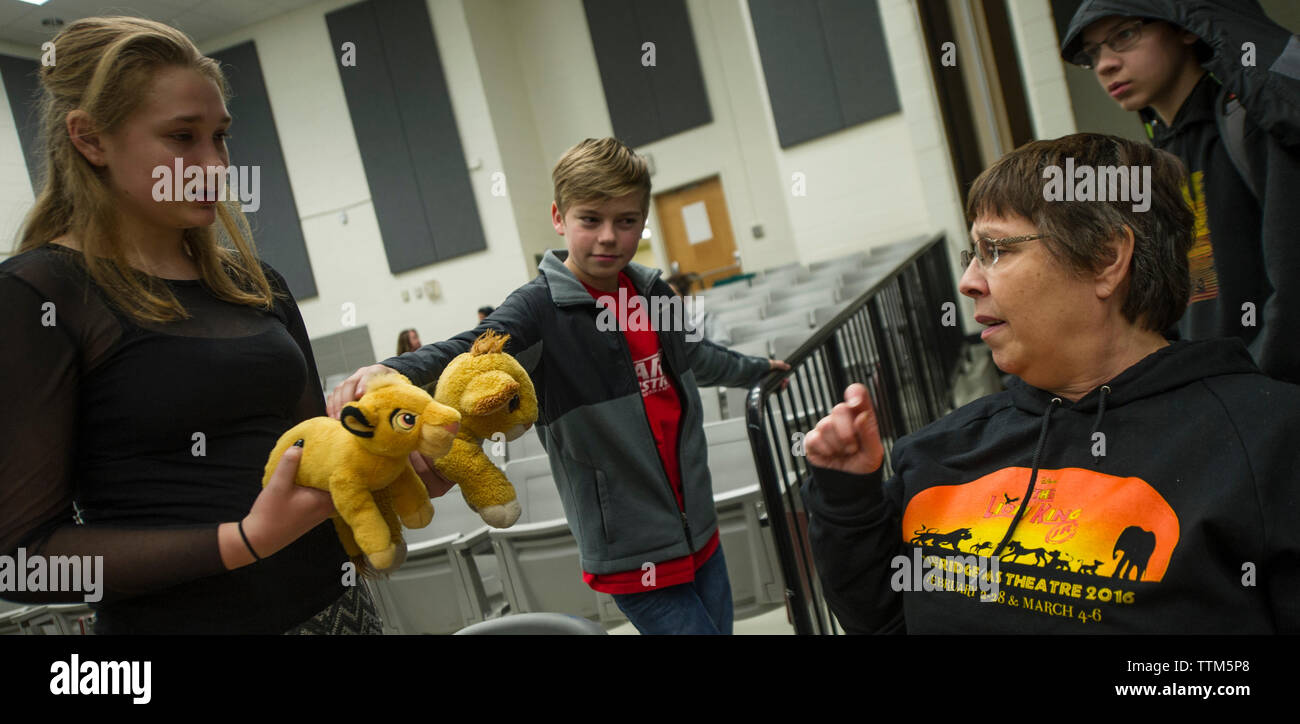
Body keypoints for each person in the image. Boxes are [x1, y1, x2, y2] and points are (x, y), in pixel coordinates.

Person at [0, 17, 448, 634]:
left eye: (220, 137)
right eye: (182, 137)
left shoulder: (255, 285)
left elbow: (313, 465)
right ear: (90, 139)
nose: (213, 164)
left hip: (339, 615)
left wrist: (388, 462)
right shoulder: (39, 294)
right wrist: (240, 542)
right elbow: (24, 561)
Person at [801, 133, 1299, 633]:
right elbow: (885, 623)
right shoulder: (937, 451)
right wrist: (847, 499)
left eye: (996, 249)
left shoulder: (1270, 440)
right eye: (971, 254)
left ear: (1106, 258)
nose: (969, 282)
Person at [329, 138, 789, 634]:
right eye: (591, 219)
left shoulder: (652, 290)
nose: (610, 237)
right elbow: (471, 347)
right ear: (559, 217)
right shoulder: (540, 307)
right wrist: (395, 371)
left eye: (627, 221)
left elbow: (694, 355)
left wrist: (757, 370)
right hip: (630, 551)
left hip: (699, 529)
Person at [1060, 0, 1300, 384]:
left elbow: (1293, 287)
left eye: (1124, 35)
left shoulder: (1249, 123)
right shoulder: (1158, 160)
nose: (1105, 64)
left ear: (1185, 27)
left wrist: (1254, 387)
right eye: (1093, 53)